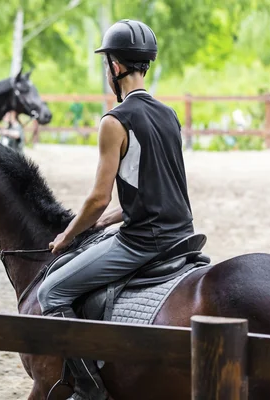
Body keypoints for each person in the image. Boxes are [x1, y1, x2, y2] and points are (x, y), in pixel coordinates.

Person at [37, 19, 195, 400]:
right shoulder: (168, 114)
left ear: (116, 67)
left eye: (107, 62)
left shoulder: (115, 120)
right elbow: (161, 187)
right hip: (183, 236)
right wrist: (118, 216)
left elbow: (96, 199)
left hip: (143, 242)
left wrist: (66, 236)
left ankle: (90, 390)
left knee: (51, 293)